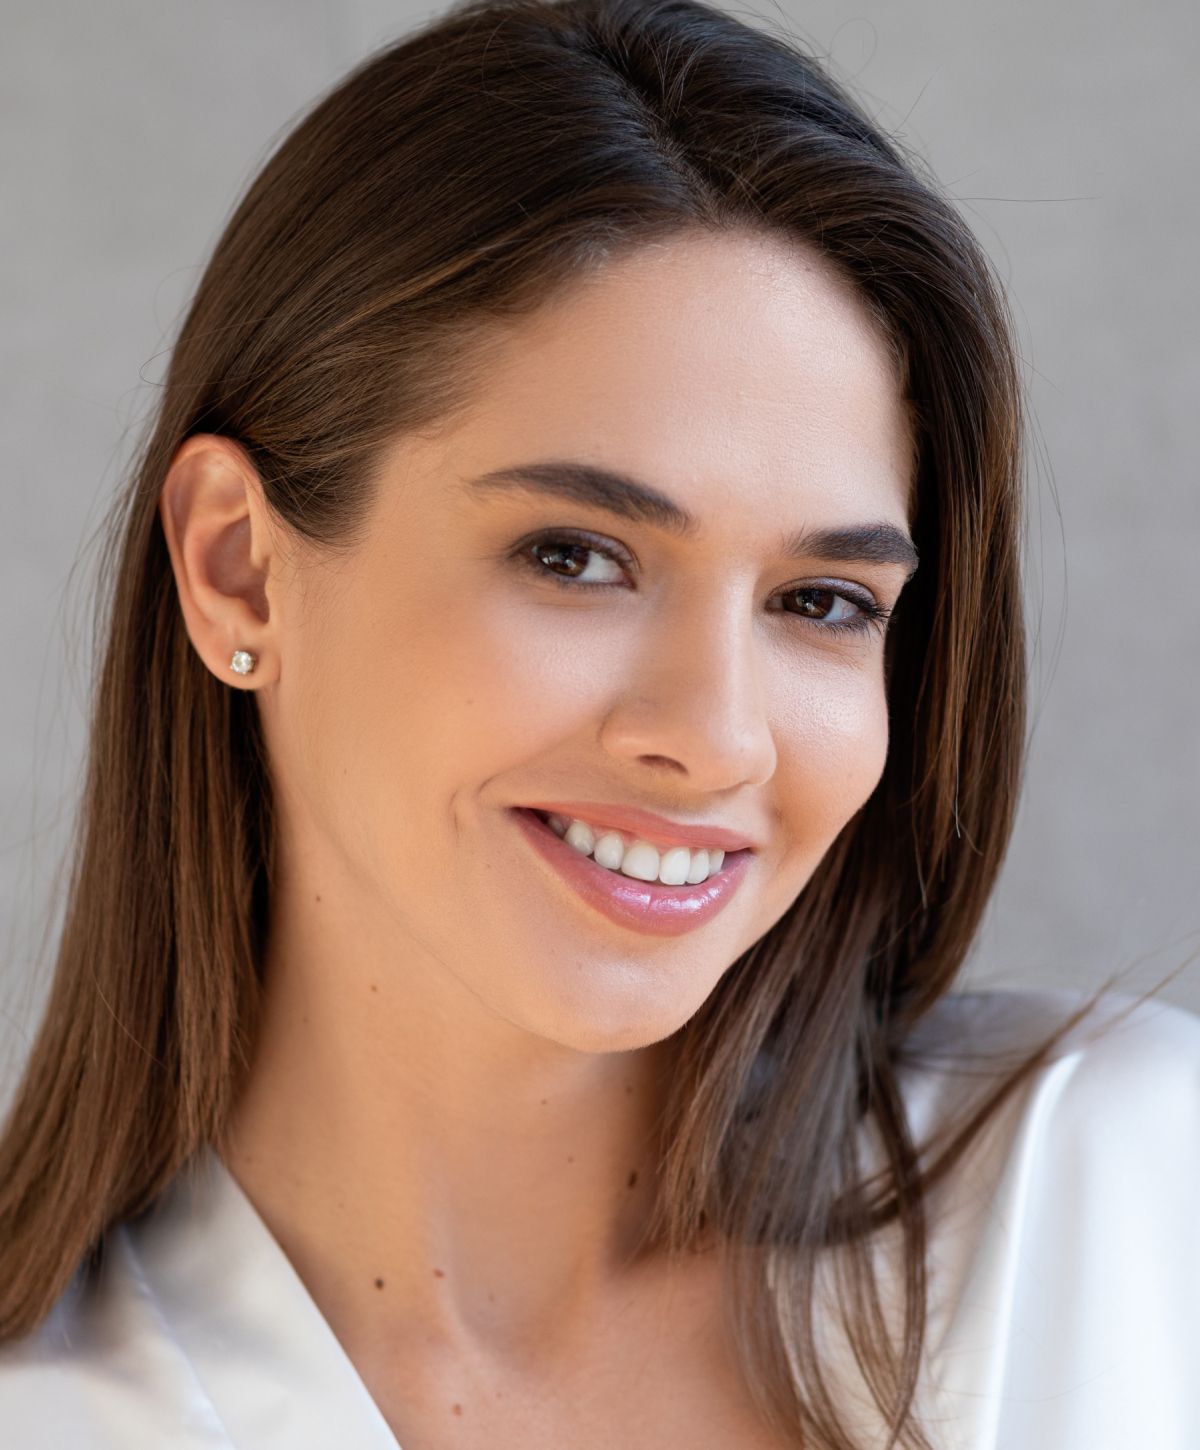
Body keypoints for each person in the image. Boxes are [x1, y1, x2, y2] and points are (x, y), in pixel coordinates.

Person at [0, 0, 1196, 1446]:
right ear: (236, 565)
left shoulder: (1116, 1206)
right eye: (575, 555)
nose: (716, 739)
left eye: (821, 600)